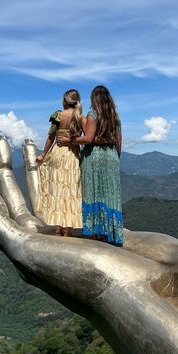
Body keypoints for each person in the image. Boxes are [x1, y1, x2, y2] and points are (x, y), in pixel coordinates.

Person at [57, 85, 123, 246]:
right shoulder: (115, 117)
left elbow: (88, 138)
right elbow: (119, 142)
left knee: (93, 193)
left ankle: (96, 233)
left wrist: (69, 140)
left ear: (95, 99)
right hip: (112, 156)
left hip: (94, 157)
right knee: (110, 195)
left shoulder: (93, 114)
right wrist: (115, 159)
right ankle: (111, 232)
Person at [35, 89, 83, 236]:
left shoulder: (58, 116)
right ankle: (68, 229)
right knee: (70, 189)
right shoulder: (81, 118)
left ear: (64, 101)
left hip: (57, 153)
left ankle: (58, 227)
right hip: (73, 154)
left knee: (57, 188)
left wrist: (43, 154)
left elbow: (50, 137)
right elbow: (87, 138)